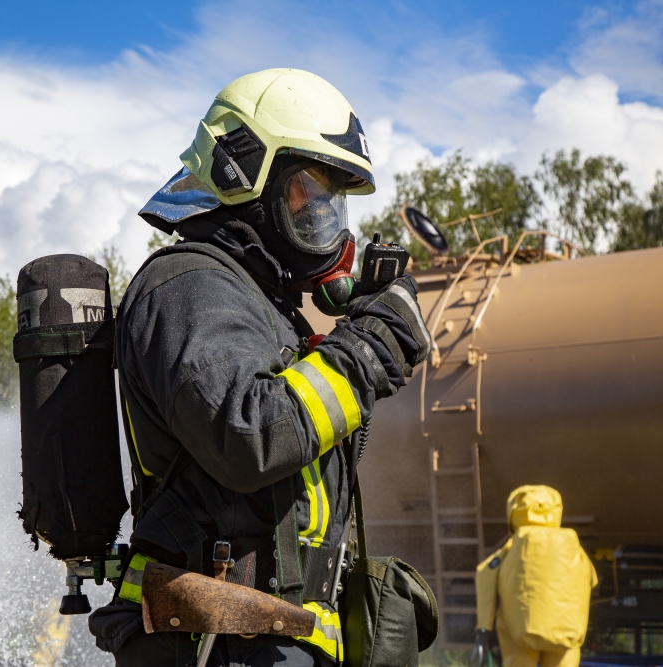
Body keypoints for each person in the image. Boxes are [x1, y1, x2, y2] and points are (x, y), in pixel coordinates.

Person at [88, 69, 430, 666]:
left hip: (261, 641)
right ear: (241, 173)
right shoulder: (189, 284)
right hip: (212, 641)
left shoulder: (258, 304)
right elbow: (252, 435)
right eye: (308, 192)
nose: (323, 217)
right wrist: (370, 345)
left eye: (332, 202)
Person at [473, 485, 598, 667]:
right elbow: (591, 579)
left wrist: (482, 631)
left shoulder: (514, 544)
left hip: (520, 631)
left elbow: (485, 576)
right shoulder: (571, 542)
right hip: (565, 631)